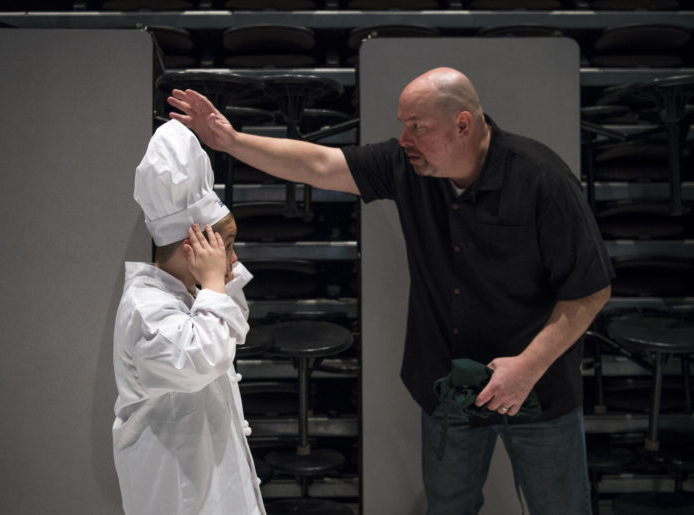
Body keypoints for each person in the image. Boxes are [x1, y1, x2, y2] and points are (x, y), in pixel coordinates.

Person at [167, 66, 614, 515]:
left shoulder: (541, 178)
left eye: (416, 126)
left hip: (537, 388)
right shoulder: (409, 166)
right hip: (448, 384)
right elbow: (320, 164)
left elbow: (591, 289)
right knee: (447, 507)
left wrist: (527, 367)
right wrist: (231, 141)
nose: (404, 138)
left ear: (462, 124)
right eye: (403, 125)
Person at [112, 119, 266, 515]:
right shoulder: (147, 309)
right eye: (226, 246)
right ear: (192, 245)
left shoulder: (186, 297)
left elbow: (233, 329)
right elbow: (203, 359)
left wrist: (219, 281)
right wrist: (215, 282)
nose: (232, 259)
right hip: (177, 495)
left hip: (207, 484)